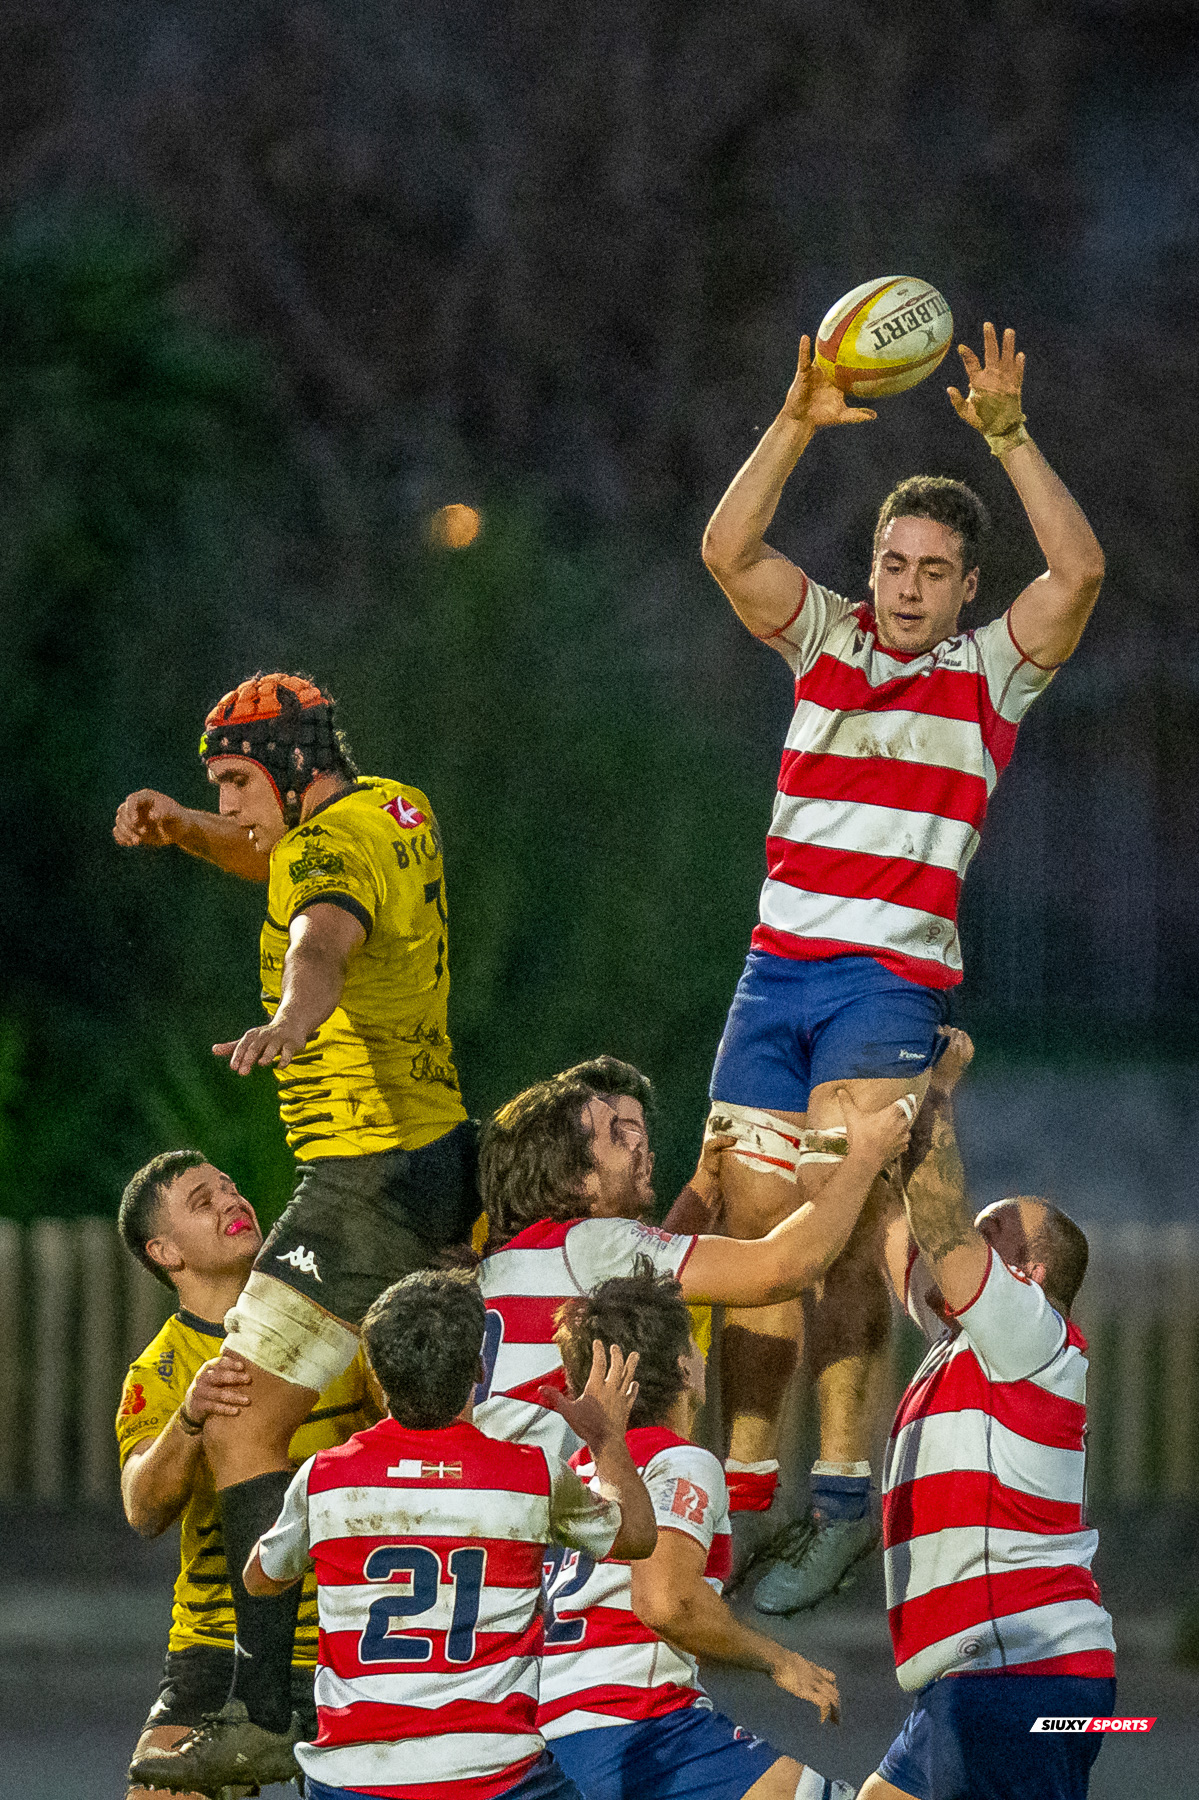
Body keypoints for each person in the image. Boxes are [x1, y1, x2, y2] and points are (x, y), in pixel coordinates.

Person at [699, 323, 1106, 1607]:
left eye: (933, 570)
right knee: (752, 1232)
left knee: (848, 1221)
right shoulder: (820, 639)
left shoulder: (990, 675)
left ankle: (834, 1497)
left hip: (887, 980)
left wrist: (1008, 434)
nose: (906, 585)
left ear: (967, 588)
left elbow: (1081, 570)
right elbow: (725, 551)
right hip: (773, 971)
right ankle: (743, 1488)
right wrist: (798, 420)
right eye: (890, 562)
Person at [115, 672, 478, 1789]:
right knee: (438, 1420)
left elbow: (319, 936)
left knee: (236, 1420)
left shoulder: (322, 862)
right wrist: (188, 833)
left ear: (288, 767)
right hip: (441, 1162)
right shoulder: (394, 809)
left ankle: (264, 1708)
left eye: (235, 784)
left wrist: (287, 1019)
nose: (234, 806)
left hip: (363, 1181)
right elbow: (281, 864)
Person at [242, 1269, 658, 1800]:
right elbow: (638, 1537)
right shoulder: (530, 1476)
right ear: (478, 1369)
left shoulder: (325, 1478)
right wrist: (605, 1438)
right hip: (492, 1776)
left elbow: (262, 1578)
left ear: (376, 1374)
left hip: (353, 1779)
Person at [856, 1033, 1116, 1800]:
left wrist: (937, 1088)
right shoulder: (964, 1341)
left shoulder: (1032, 1332)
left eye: (993, 1229)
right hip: (982, 1678)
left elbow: (935, 1215)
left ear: (1028, 1276)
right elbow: (899, 1224)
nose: (972, 1236)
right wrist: (874, 1108)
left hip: (1025, 1676)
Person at [473, 1064, 914, 1462]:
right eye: (616, 1134)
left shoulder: (494, 1269)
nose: (639, 1143)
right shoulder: (590, 1245)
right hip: (532, 1507)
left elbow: (643, 1274)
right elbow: (781, 1267)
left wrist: (705, 1185)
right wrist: (865, 1158)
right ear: (576, 1179)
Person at [114, 1150, 376, 1799]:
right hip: (215, 1647)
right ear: (165, 1252)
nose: (232, 1202)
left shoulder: (338, 1331)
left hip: (347, 1639)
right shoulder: (162, 1369)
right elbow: (143, 1510)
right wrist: (192, 1418)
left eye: (230, 1188)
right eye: (203, 1202)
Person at [542, 1267, 854, 1800]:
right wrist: (779, 1660)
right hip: (639, 1728)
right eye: (695, 1344)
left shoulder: (570, 1474)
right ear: (685, 1367)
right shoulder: (678, 1458)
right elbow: (667, 1602)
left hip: (551, 1742)